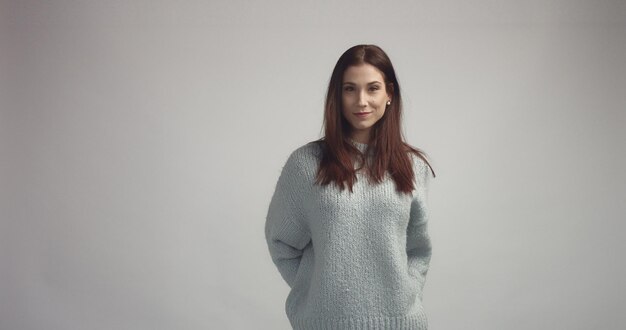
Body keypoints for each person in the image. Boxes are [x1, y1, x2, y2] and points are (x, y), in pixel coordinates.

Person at [265, 44, 436, 330]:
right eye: (349, 89)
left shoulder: (412, 166)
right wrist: (318, 293)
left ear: (389, 94)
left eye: (372, 88)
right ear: (337, 95)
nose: (361, 101)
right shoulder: (306, 164)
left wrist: (408, 295)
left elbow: (418, 248)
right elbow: (281, 242)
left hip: (401, 323)